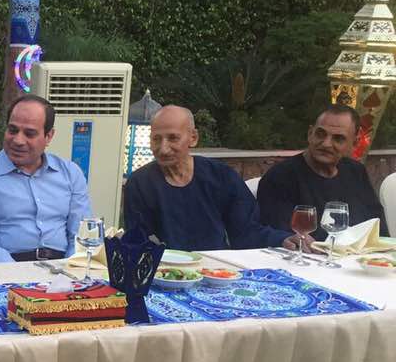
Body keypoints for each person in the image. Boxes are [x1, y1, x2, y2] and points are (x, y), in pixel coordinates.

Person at [123, 105, 294, 251]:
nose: (163, 148)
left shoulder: (222, 176)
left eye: (173, 138)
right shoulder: (140, 183)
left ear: (193, 138)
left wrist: (283, 239)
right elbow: (138, 240)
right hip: (165, 269)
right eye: (156, 139)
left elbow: (246, 231)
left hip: (216, 269)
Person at [0, 94, 92, 262]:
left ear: (49, 136)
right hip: (7, 269)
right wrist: (22, 274)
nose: (18, 140)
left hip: (63, 268)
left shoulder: (70, 174)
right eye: (12, 130)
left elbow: (81, 237)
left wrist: (71, 270)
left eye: (29, 133)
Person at [257, 104, 388, 238]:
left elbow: (378, 231)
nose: (326, 144)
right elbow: (285, 241)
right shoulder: (281, 177)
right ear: (310, 134)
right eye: (320, 134)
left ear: (355, 143)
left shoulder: (356, 172)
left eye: (338, 138)